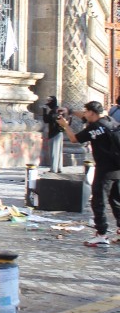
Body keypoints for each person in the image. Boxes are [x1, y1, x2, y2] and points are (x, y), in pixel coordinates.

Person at [57, 101, 120, 247]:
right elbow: (85, 117)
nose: (84, 114)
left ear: (92, 112)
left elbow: (74, 139)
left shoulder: (95, 128)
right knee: (116, 201)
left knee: (98, 201)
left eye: (86, 112)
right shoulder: (110, 121)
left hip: (105, 169)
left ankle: (101, 234)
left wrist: (65, 125)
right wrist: (70, 111)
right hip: (117, 167)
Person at [42, 96, 65, 173]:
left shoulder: (54, 111)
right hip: (59, 133)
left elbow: (46, 120)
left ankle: (54, 169)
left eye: (49, 101)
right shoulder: (58, 110)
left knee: (54, 152)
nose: (48, 103)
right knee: (58, 152)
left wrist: (44, 111)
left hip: (54, 133)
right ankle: (59, 168)